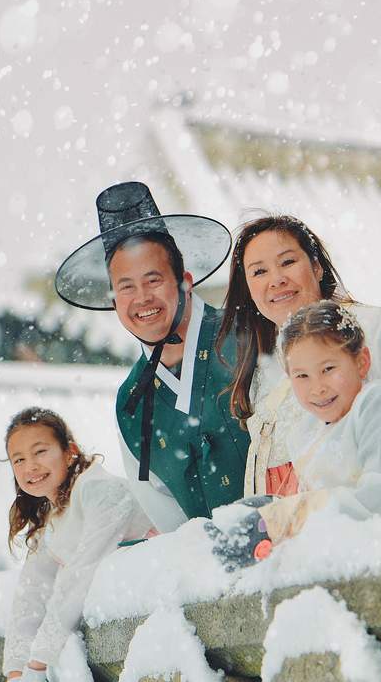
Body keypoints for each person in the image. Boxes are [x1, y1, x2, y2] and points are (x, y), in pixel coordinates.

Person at [214, 214, 381, 497]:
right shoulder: (263, 365)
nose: (277, 280)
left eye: (287, 262)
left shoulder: (380, 329)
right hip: (298, 534)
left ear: (317, 266)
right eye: (259, 272)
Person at [55, 181, 250, 531]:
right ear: (115, 301)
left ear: (185, 281)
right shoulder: (131, 404)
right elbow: (167, 521)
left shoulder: (250, 338)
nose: (141, 297)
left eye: (154, 279)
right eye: (126, 287)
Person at [207, 301, 381, 568]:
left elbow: (379, 500)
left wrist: (290, 515)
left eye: (328, 369)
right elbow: (318, 506)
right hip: (353, 558)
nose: (317, 388)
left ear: (361, 362)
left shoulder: (376, 405)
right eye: (302, 376)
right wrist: (273, 507)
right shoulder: (306, 432)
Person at [2, 407, 154, 681]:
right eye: (19, 459)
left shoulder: (101, 491)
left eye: (40, 452)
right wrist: (15, 672)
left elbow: (81, 574)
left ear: (69, 452)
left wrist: (39, 662)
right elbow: (31, 595)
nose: (30, 466)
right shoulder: (51, 521)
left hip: (154, 607)